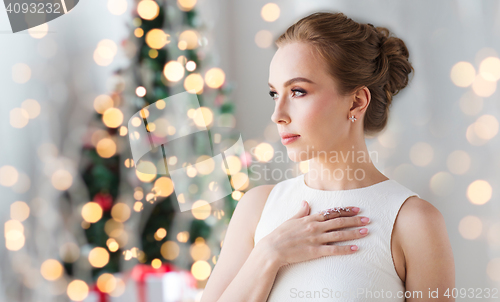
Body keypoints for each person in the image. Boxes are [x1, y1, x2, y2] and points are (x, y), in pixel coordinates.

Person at [201, 11, 455, 302]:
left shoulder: (413, 222)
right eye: (274, 93)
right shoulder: (257, 208)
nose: (277, 115)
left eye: (297, 91)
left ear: (357, 101)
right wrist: (269, 254)